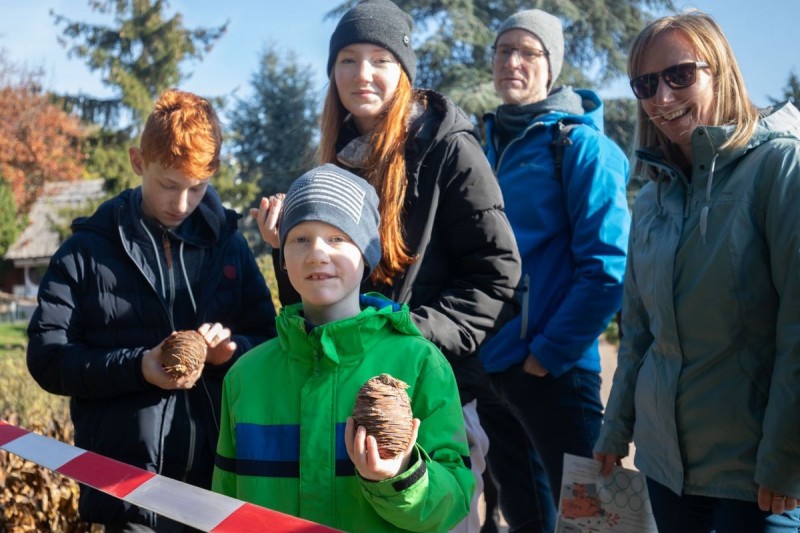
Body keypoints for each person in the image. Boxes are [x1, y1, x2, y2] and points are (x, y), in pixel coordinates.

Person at [251, 1, 521, 531]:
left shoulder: (450, 150)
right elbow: (325, 302)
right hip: (345, 401)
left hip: (433, 393)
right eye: (347, 60)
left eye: (380, 59)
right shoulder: (334, 158)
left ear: (404, 70)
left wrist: (408, 341)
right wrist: (287, 254)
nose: (362, 74)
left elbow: (498, 272)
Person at [26, 88, 277, 531]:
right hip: (127, 493)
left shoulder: (230, 248)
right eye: (167, 185)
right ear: (138, 162)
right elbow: (46, 359)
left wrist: (232, 352)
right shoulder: (85, 250)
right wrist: (139, 367)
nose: (181, 204)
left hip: (221, 486)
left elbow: (271, 342)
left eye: (197, 188)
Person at [593, 10, 800, 533]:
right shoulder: (653, 198)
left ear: (720, 71)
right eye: (646, 83)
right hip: (667, 476)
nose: (662, 97)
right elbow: (639, 333)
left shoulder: (780, 168)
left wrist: (786, 460)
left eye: (680, 75)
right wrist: (615, 432)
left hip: (758, 480)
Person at [213, 164, 473, 532]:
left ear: (366, 253)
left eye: (337, 238)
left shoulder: (418, 362)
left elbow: (454, 498)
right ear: (282, 258)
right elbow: (226, 501)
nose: (317, 253)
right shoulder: (246, 375)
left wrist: (398, 473)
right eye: (300, 238)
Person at [478, 8, 631, 531]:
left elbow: (608, 268)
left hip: (557, 376)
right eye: (503, 50)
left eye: (528, 52)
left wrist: (547, 356)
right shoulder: (484, 148)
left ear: (552, 66)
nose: (512, 62)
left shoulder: (583, 147)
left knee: (596, 523)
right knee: (527, 522)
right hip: (494, 373)